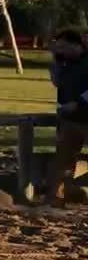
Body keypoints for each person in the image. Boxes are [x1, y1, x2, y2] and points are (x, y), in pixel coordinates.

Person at [46, 29, 88, 205]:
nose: (60, 50)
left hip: (84, 115)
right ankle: (57, 196)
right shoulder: (65, 63)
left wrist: (78, 103)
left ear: (76, 45)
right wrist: (56, 62)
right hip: (70, 119)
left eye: (63, 47)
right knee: (63, 160)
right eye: (58, 47)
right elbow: (57, 83)